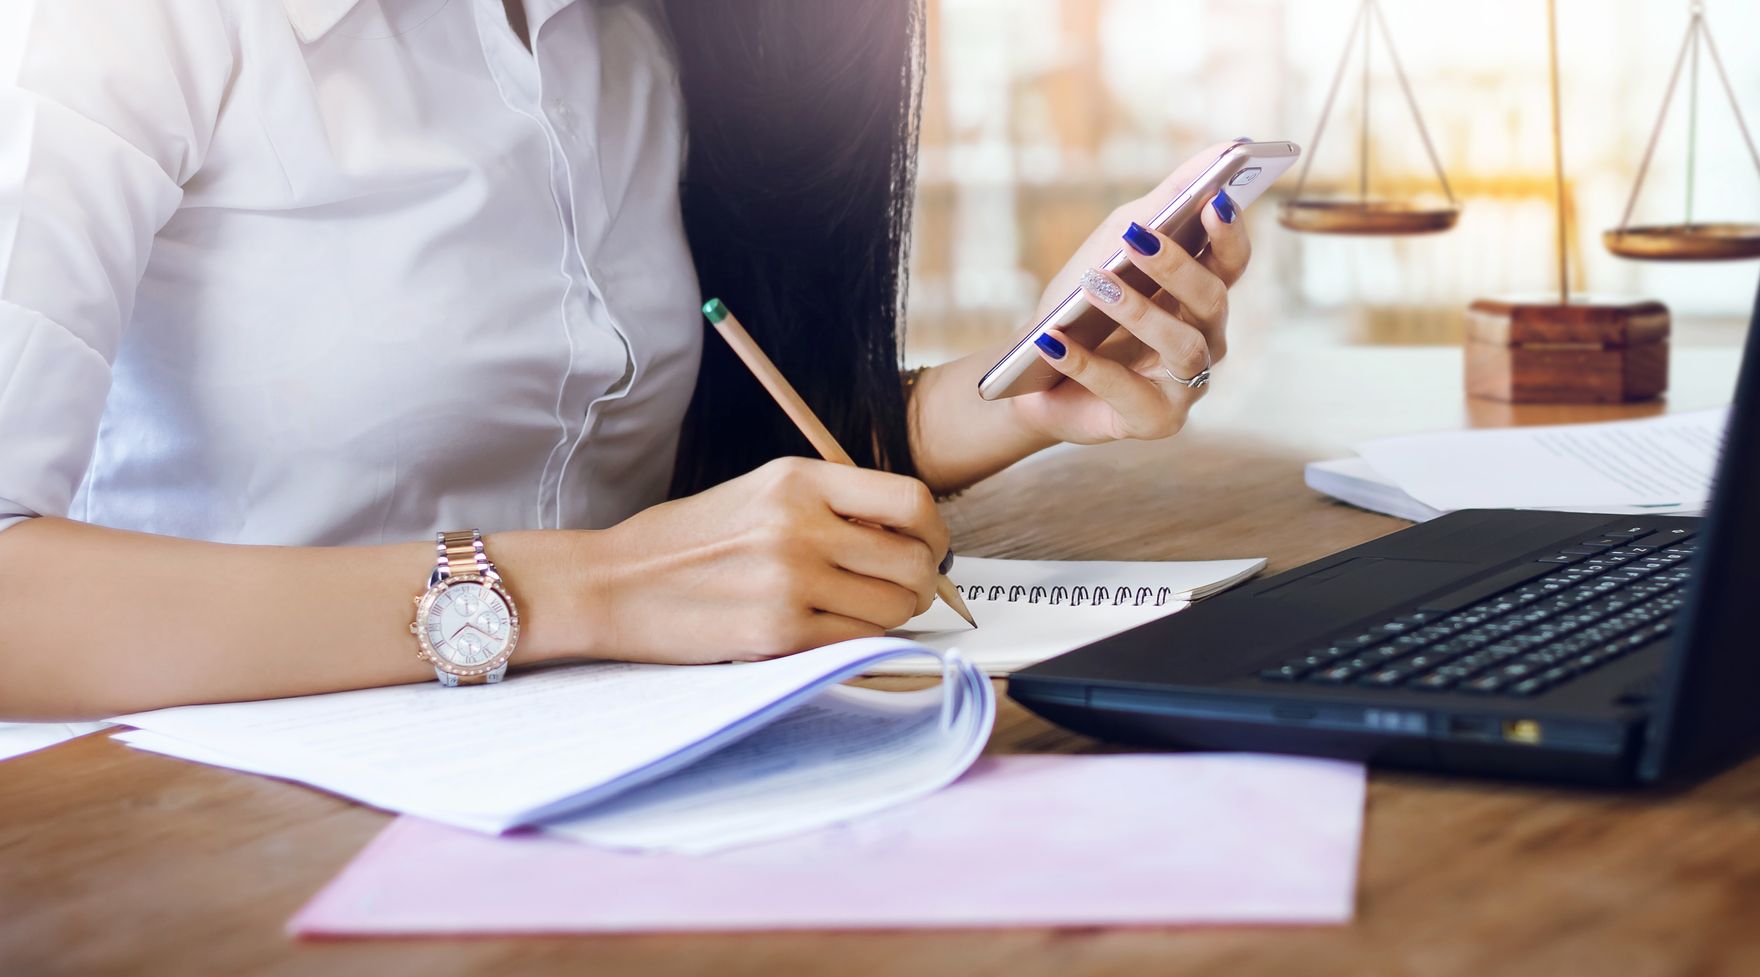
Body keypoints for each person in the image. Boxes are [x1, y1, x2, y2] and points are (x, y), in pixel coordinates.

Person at [0, 0, 1253, 719]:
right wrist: (586, 591)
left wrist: (1015, 394)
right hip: (192, 819)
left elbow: (658, 490)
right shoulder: (110, 30)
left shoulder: (643, 36)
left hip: (604, 767)